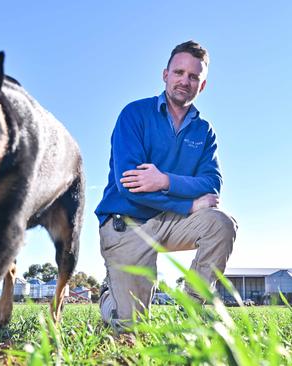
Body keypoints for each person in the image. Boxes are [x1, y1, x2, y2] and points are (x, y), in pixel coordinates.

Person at [95, 40, 237, 331]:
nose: (185, 80)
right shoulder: (134, 115)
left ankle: (193, 310)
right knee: (131, 326)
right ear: (165, 75)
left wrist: (164, 180)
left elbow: (212, 184)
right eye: (179, 72)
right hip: (128, 224)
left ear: (203, 85)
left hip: (172, 221)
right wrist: (188, 203)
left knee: (221, 224)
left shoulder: (204, 131)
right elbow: (129, 186)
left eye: (193, 76)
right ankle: (109, 296)